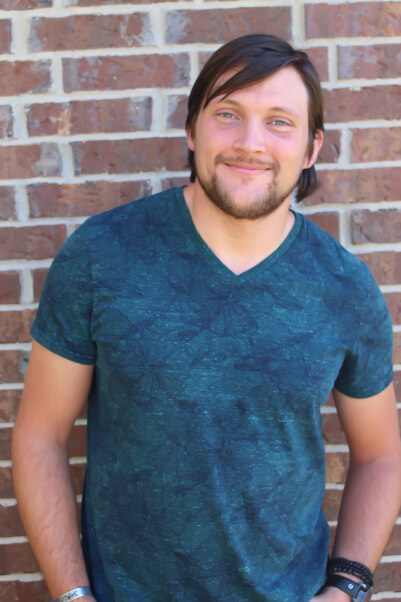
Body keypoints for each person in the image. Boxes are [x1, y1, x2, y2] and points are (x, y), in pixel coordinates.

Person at [12, 34, 401, 602]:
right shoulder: (102, 256)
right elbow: (40, 437)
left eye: (279, 121)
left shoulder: (345, 288)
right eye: (227, 114)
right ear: (191, 130)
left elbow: (381, 455)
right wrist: (73, 596)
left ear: (312, 147)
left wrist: (348, 587)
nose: (250, 142)